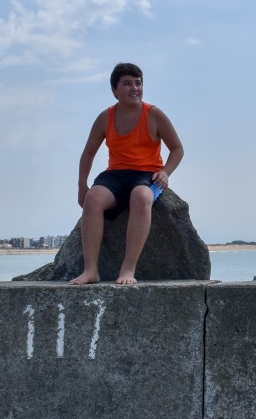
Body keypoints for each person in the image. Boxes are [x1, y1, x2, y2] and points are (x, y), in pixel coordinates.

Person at [70, 63, 184, 285]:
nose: (135, 88)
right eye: (127, 84)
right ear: (115, 90)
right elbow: (88, 153)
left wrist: (165, 172)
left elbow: (177, 148)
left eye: (138, 83)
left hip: (146, 174)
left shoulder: (154, 114)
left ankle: (128, 269)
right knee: (93, 198)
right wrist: (82, 186)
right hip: (115, 175)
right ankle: (91, 270)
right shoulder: (106, 117)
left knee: (141, 197)